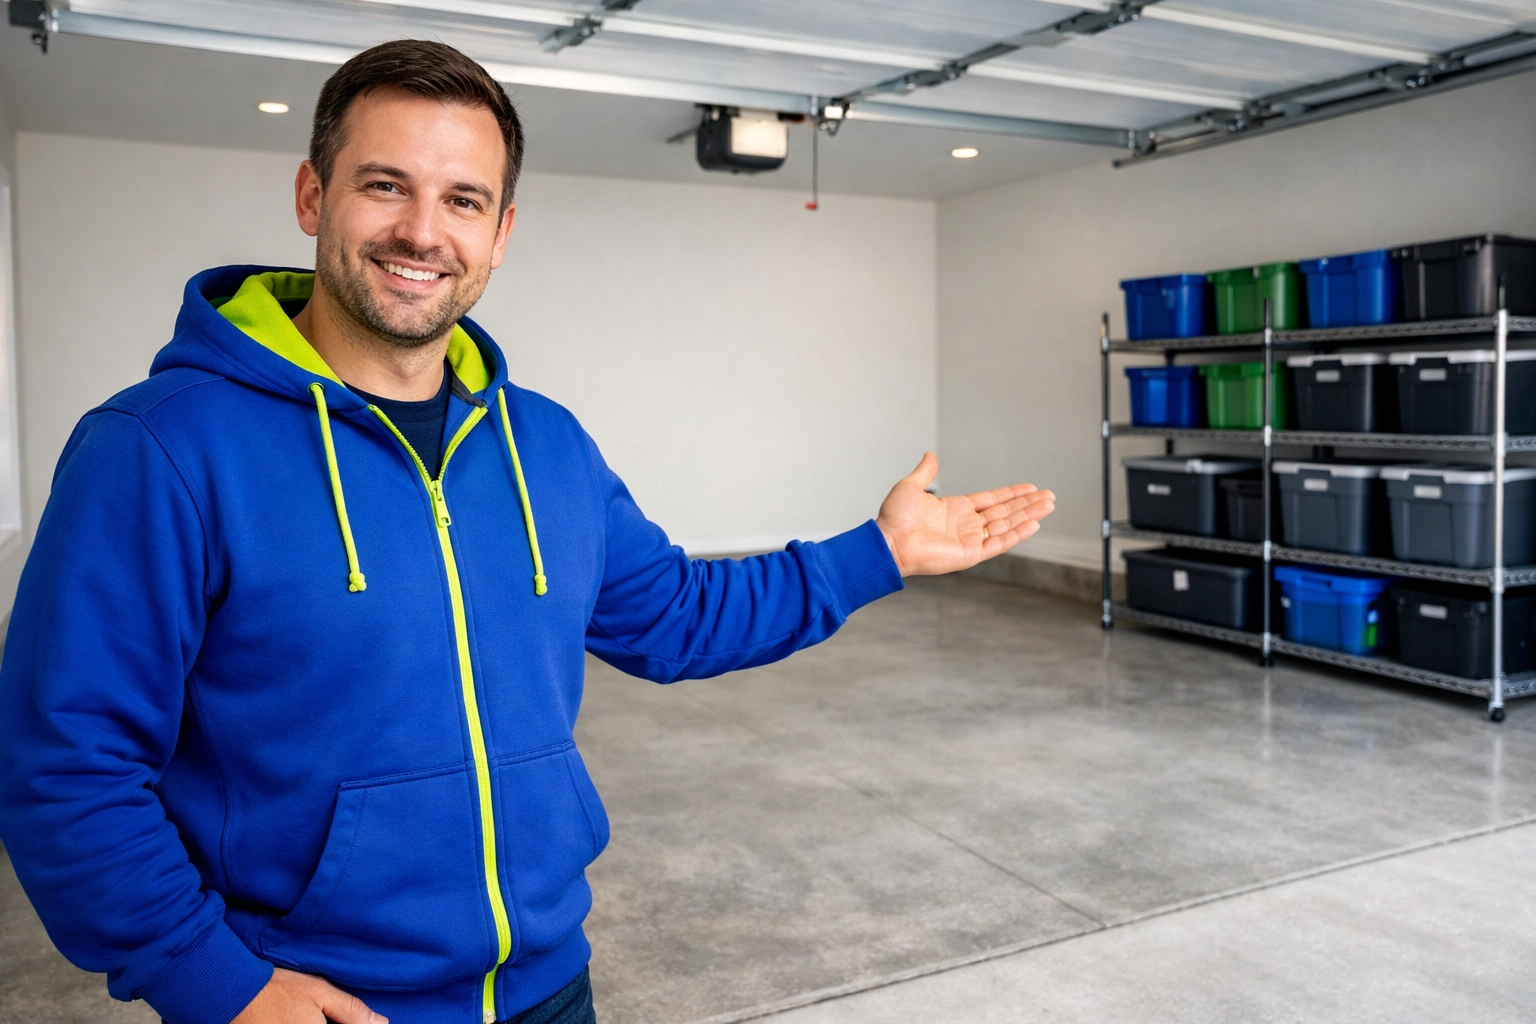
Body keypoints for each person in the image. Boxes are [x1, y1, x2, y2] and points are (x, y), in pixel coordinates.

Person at [0, 39, 1055, 1024]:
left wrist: (883, 551)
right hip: (319, 999)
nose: (423, 231)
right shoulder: (161, 450)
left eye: (463, 199)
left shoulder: (543, 445)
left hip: (551, 981)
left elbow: (679, 616)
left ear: (500, 234)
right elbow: (65, 762)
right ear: (312, 195)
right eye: (385, 185)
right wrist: (218, 984)